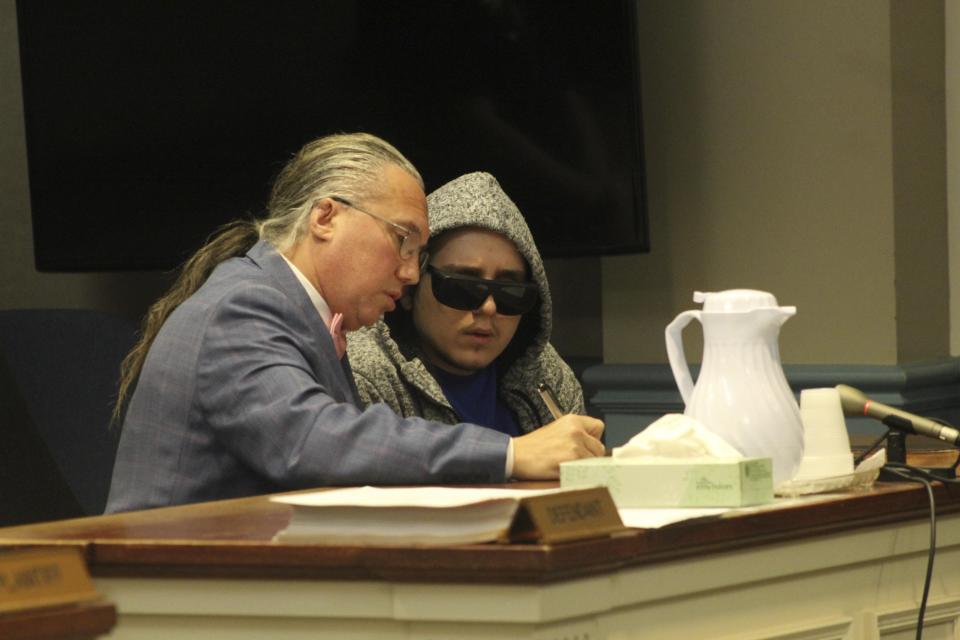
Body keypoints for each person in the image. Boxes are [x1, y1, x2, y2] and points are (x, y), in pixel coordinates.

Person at [106, 133, 604, 513]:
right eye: (401, 240)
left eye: (417, 252)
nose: (410, 273)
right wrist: (511, 455)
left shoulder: (295, 310)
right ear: (325, 217)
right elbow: (312, 443)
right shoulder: (246, 306)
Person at [348, 172, 586, 440]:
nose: (488, 308)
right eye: (461, 288)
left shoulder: (546, 374)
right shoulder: (363, 374)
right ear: (409, 288)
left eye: (511, 293)